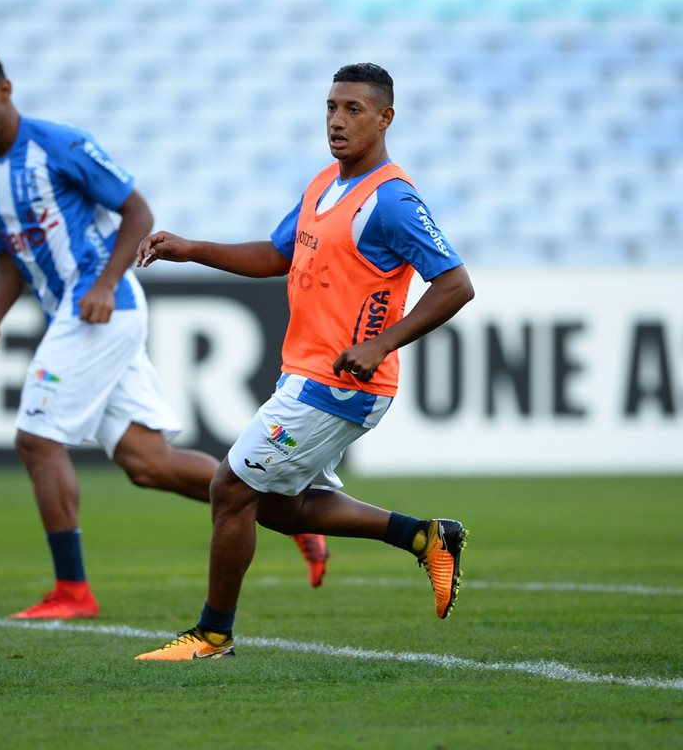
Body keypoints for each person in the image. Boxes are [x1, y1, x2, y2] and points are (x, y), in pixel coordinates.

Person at [0, 44, 330, 620]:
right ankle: (282, 507)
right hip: (77, 316)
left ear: (4, 90)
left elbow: (138, 212)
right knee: (148, 463)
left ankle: (72, 591)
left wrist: (102, 282)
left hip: (102, 308)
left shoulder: (58, 145)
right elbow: (7, 254)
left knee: (36, 438)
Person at [134, 63, 475, 661]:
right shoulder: (323, 184)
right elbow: (275, 255)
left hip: (339, 382)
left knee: (230, 487)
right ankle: (423, 536)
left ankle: (213, 634)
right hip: (307, 370)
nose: (337, 121)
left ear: (386, 118)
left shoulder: (392, 200)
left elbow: (455, 285)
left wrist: (381, 343)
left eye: (353, 110)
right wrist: (191, 249)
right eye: (330, 108)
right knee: (278, 508)